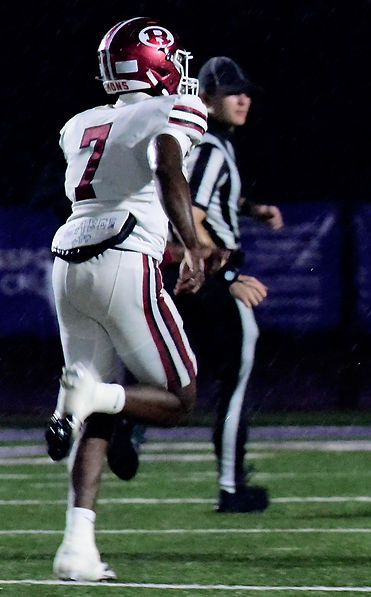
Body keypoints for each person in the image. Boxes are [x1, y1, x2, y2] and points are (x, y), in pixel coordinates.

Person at [44, 17, 214, 580]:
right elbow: (168, 167)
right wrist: (190, 247)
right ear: (155, 61)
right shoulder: (172, 111)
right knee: (181, 398)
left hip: (68, 263)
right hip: (125, 257)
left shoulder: (79, 123)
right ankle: (91, 395)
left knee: (100, 399)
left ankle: (77, 549)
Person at [164, 56, 283, 513]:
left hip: (200, 277)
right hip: (214, 277)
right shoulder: (210, 147)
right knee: (233, 381)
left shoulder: (213, 146)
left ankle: (126, 429)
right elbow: (190, 218)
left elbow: (210, 200)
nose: (243, 98)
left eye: (246, 91)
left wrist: (254, 210)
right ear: (206, 98)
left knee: (177, 373)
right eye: (232, 91)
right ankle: (232, 487)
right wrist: (227, 274)